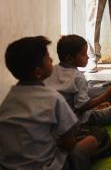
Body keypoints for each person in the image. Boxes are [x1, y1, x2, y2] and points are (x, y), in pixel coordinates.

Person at [0, 36, 98, 169]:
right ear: (38, 72)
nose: (52, 60)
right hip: (47, 166)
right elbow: (69, 143)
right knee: (94, 140)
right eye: (47, 57)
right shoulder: (53, 98)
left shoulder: (7, 101)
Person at [45, 35, 111, 126]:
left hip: (54, 119)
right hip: (76, 120)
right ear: (69, 58)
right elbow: (82, 107)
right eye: (83, 54)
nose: (87, 57)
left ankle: (96, 109)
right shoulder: (78, 77)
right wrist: (106, 96)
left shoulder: (52, 70)